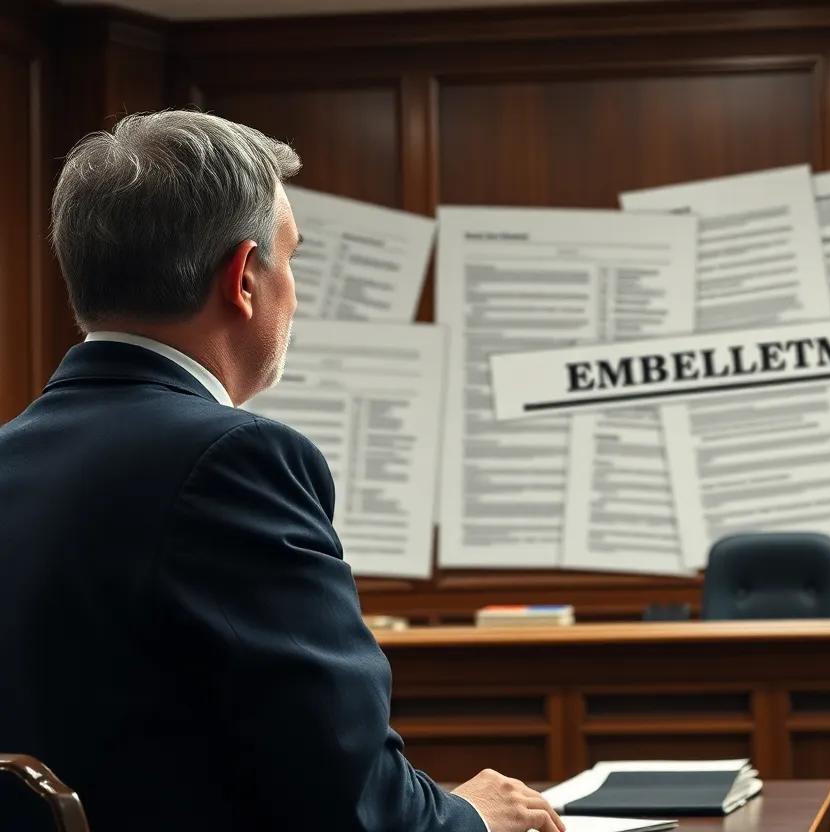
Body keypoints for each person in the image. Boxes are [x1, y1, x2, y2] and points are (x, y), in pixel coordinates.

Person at [0, 110, 564, 832]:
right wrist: (473, 817)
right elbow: (349, 801)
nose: (293, 287)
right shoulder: (234, 461)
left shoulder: (11, 455)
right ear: (243, 278)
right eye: (291, 260)